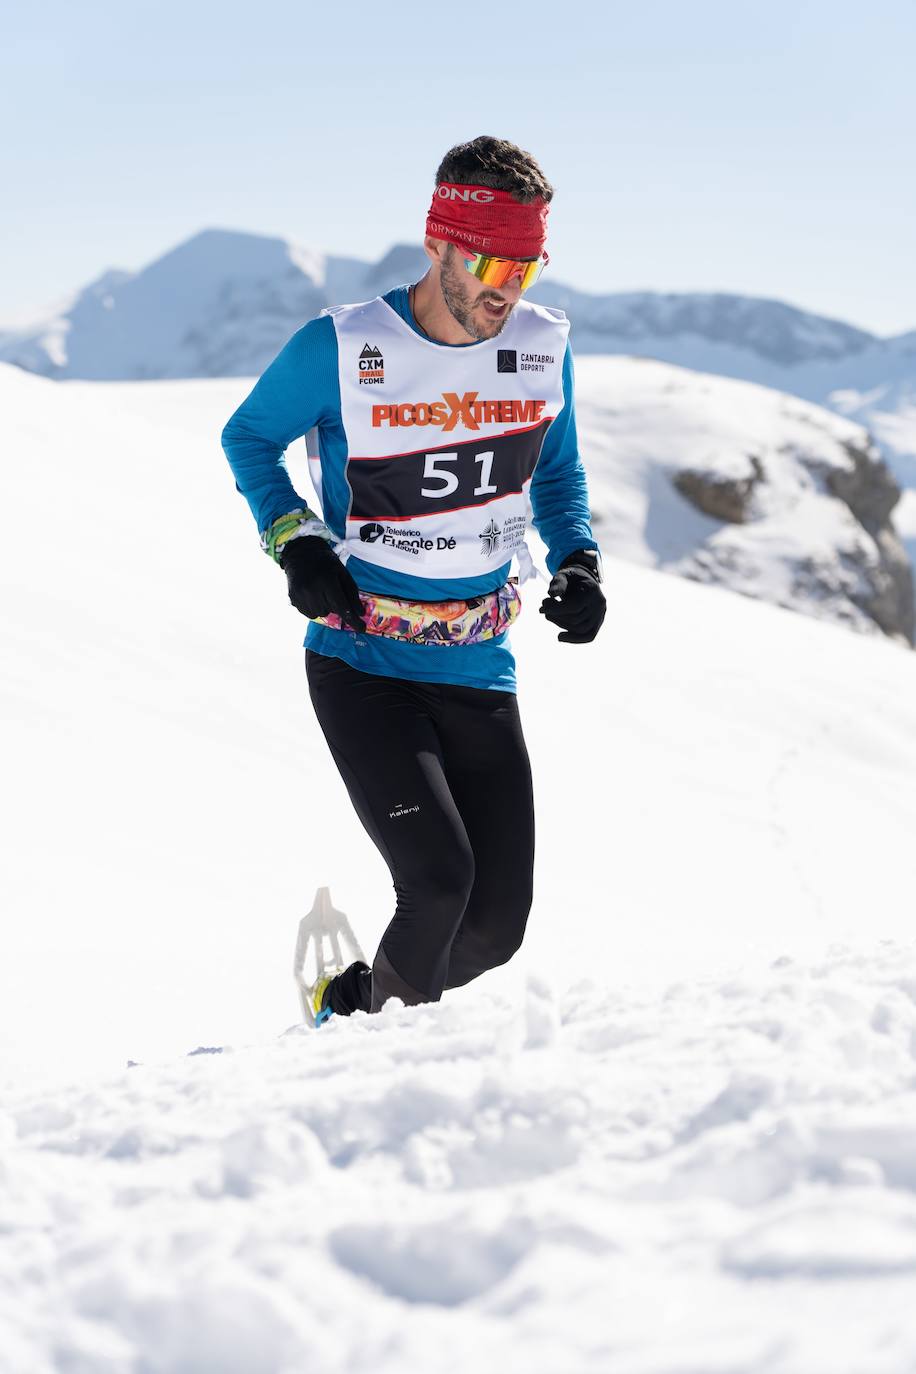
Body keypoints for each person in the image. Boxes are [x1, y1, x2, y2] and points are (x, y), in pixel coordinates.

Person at [221, 134, 605, 1023]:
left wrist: (579, 556)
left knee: (492, 930)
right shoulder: (341, 347)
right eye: (486, 263)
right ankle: (363, 1077)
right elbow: (249, 438)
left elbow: (555, 472)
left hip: (477, 663)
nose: (504, 290)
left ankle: (351, 1005)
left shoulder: (544, 349)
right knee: (438, 886)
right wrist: (296, 539)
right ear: (437, 244)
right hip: (362, 662)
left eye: (526, 268)